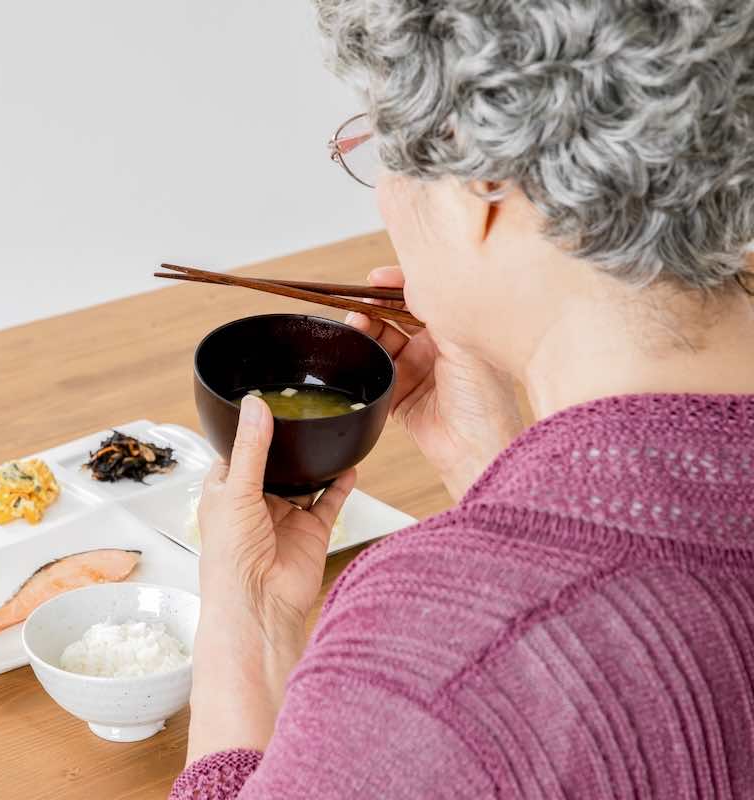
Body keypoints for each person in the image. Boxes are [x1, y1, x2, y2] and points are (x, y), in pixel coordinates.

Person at [171, 1, 754, 797]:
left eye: (383, 149)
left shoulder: (440, 658)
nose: (385, 197)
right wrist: (501, 481)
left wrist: (245, 624)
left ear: (481, 177)